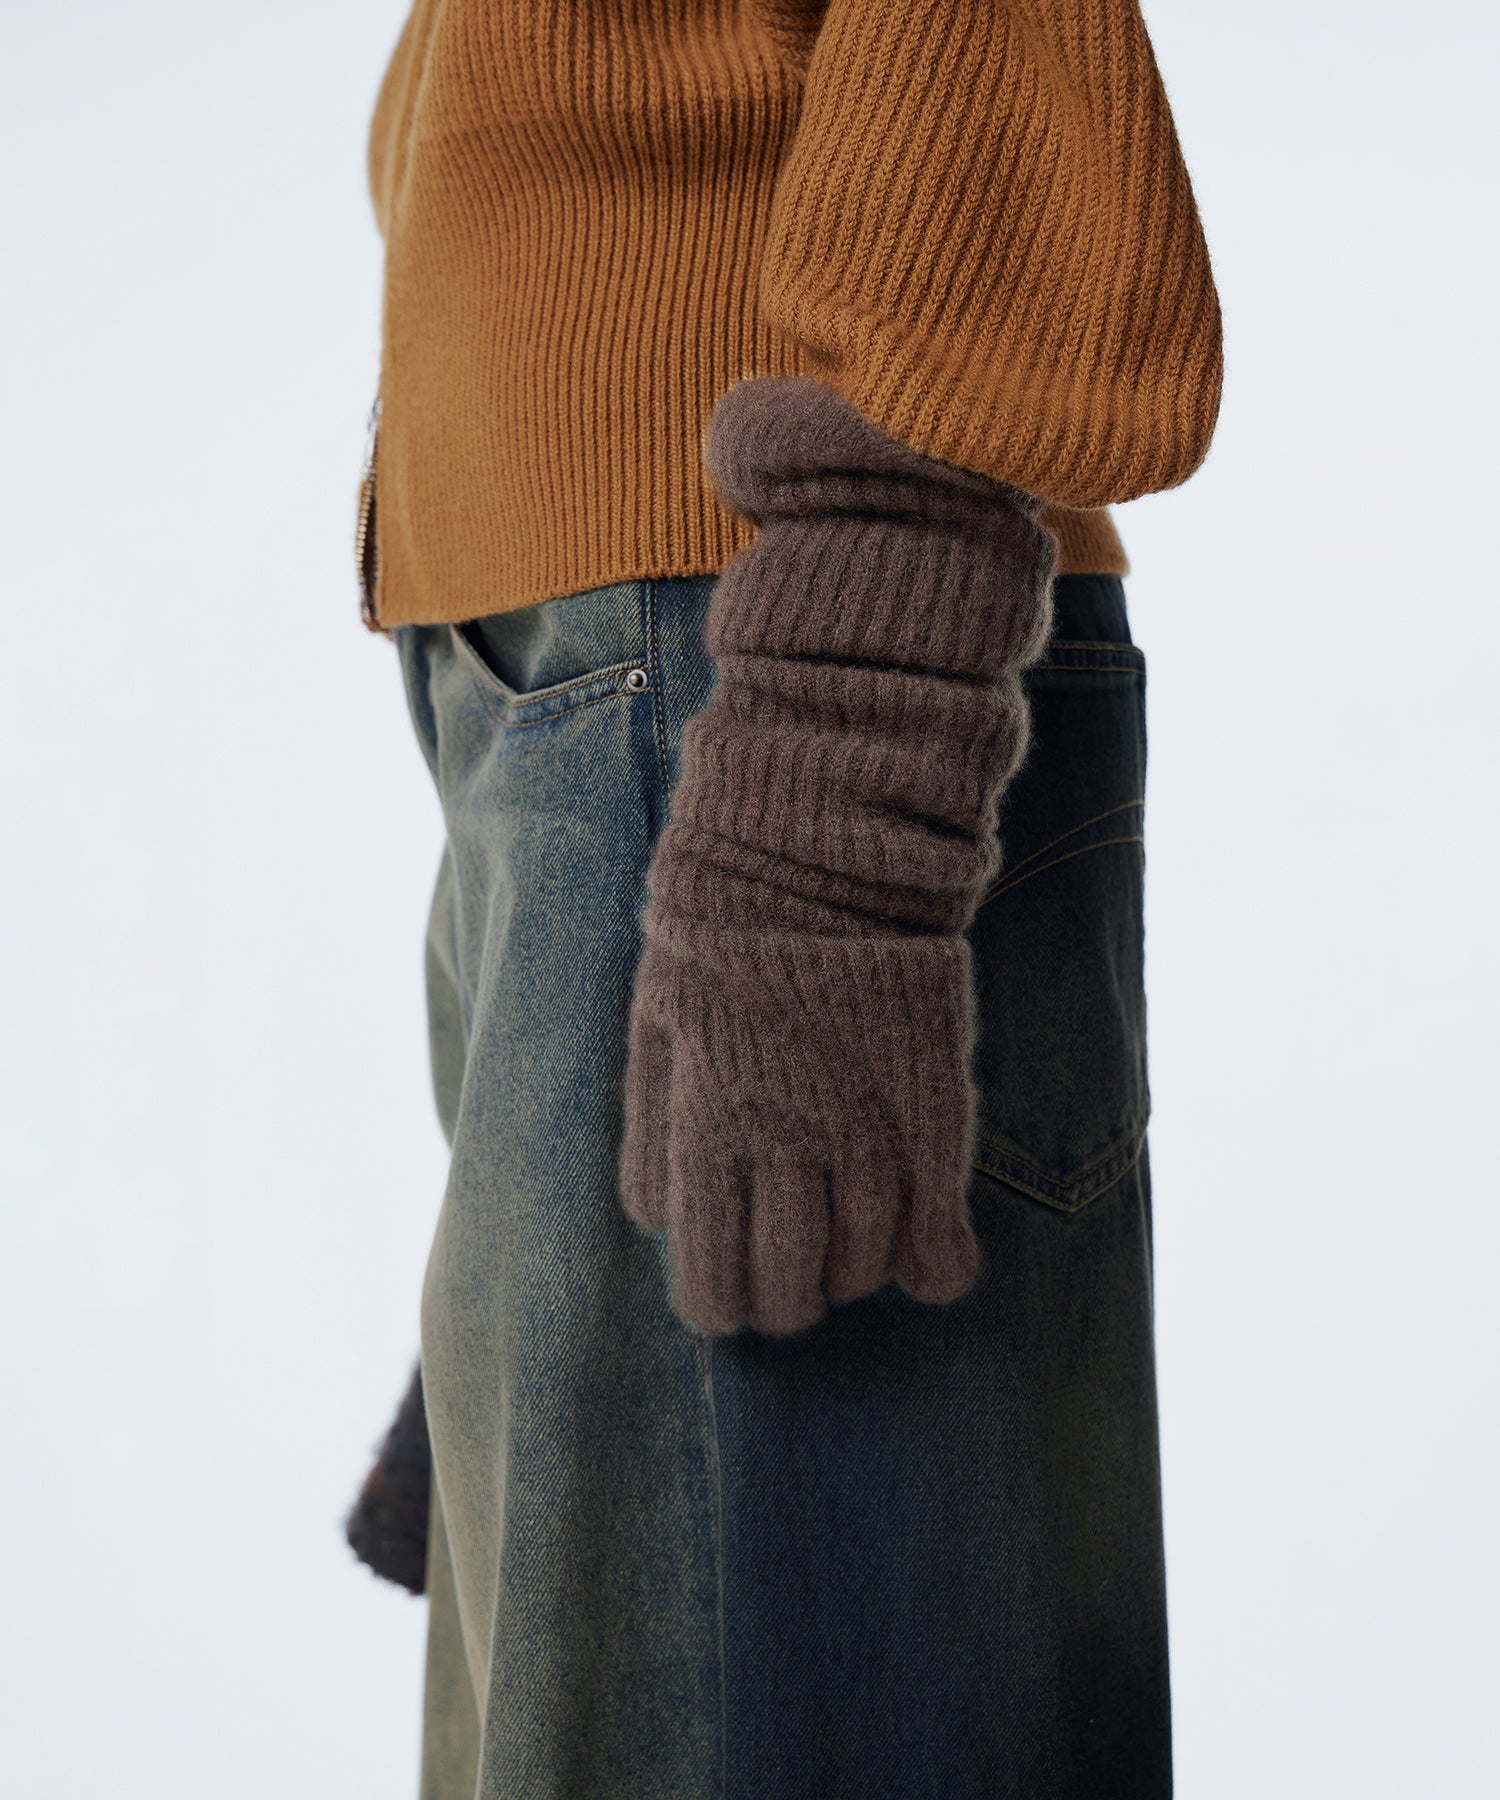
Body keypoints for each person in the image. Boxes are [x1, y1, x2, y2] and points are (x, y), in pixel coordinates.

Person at [344, 3, 1222, 1794]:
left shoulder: (795, 753)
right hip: (629, 709)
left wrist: (821, 822)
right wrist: (525, 1282)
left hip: (774, 672)